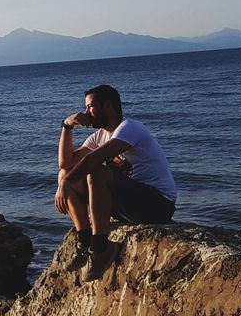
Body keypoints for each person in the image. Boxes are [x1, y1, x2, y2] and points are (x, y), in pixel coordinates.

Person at [54, 84, 177, 276]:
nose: (86, 112)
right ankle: (85, 241)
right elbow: (65, 163)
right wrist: (67, 125)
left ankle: (101, 248)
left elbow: (94, 160)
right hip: (129, 205)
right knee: (65, 174)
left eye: (90, 106)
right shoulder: (99, 136)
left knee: (94, 172)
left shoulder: (130, 128)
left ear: (108, 106)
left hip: (158, 204)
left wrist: (66, 183)